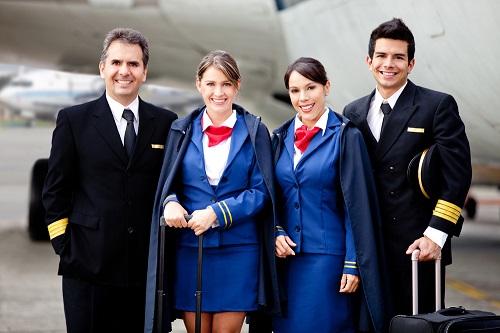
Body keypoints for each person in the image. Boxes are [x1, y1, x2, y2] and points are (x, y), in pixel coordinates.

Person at [42, 28, 177, 332]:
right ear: (102, 68)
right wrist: (65, 247)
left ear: (144, 72)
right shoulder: (73, 120)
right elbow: (54, 192)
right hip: (88, 268)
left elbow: (172, 185)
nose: (124, 72)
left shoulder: (167, 123)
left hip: (146, 270)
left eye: (133, 64)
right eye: (116, 63)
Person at [144, 50, 282, 333]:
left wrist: (216, 213)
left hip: (239, 251)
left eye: (226, 84)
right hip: (191, 250)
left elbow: (261, 191)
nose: (218, 92)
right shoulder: (181, 130)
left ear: (237, 85)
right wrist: (169, 202)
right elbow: (169, 184)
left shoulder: (255, 132)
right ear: (199, 85)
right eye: (211, 84)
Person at [343, 18, 472, 316]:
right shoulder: (353, 112)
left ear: (411, 64)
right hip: (370, 248)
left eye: (398, 57)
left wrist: (435, 236)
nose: (389, 64)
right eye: (382, 56)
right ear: (369, 61)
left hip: (417, 248)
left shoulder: (436, 106)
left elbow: (458, 175)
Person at [271, 57, 392, 333]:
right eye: (295, 90)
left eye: (310, 88)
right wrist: (276, 230)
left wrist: (352, 264)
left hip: (328, 262)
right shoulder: (280, 137)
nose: (303, 97)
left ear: (326, 87)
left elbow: (357, 207)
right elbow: (272, 196)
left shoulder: (345, 136)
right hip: (286, 263)